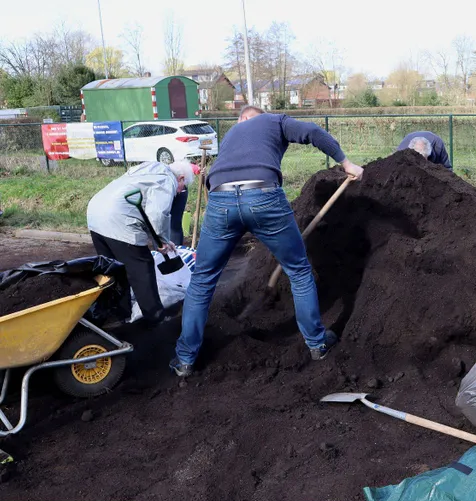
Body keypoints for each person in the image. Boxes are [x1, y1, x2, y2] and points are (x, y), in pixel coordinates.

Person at [169, 106, 364, 377]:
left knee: (202, 280)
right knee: (298, 270)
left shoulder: (231, 134)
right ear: (259, 116)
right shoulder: (275, 120)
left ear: (243, 118)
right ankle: (317, 343)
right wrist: (346, 162)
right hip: (263, 196)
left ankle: (184, 360)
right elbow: (312, 132)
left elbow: (215, 178)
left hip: (220, 200)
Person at [87, 160, 198, 323]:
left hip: (96, 215)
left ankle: (119, 315)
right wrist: (161, 240)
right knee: (142, 268)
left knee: (114, 270)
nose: (180, 192)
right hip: (118, 220)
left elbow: (147, 214)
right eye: (182, 188)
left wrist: (162, 240)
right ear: (180, 178)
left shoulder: (150, 168)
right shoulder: (167, 180)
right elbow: (157, 214)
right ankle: (155, 318)